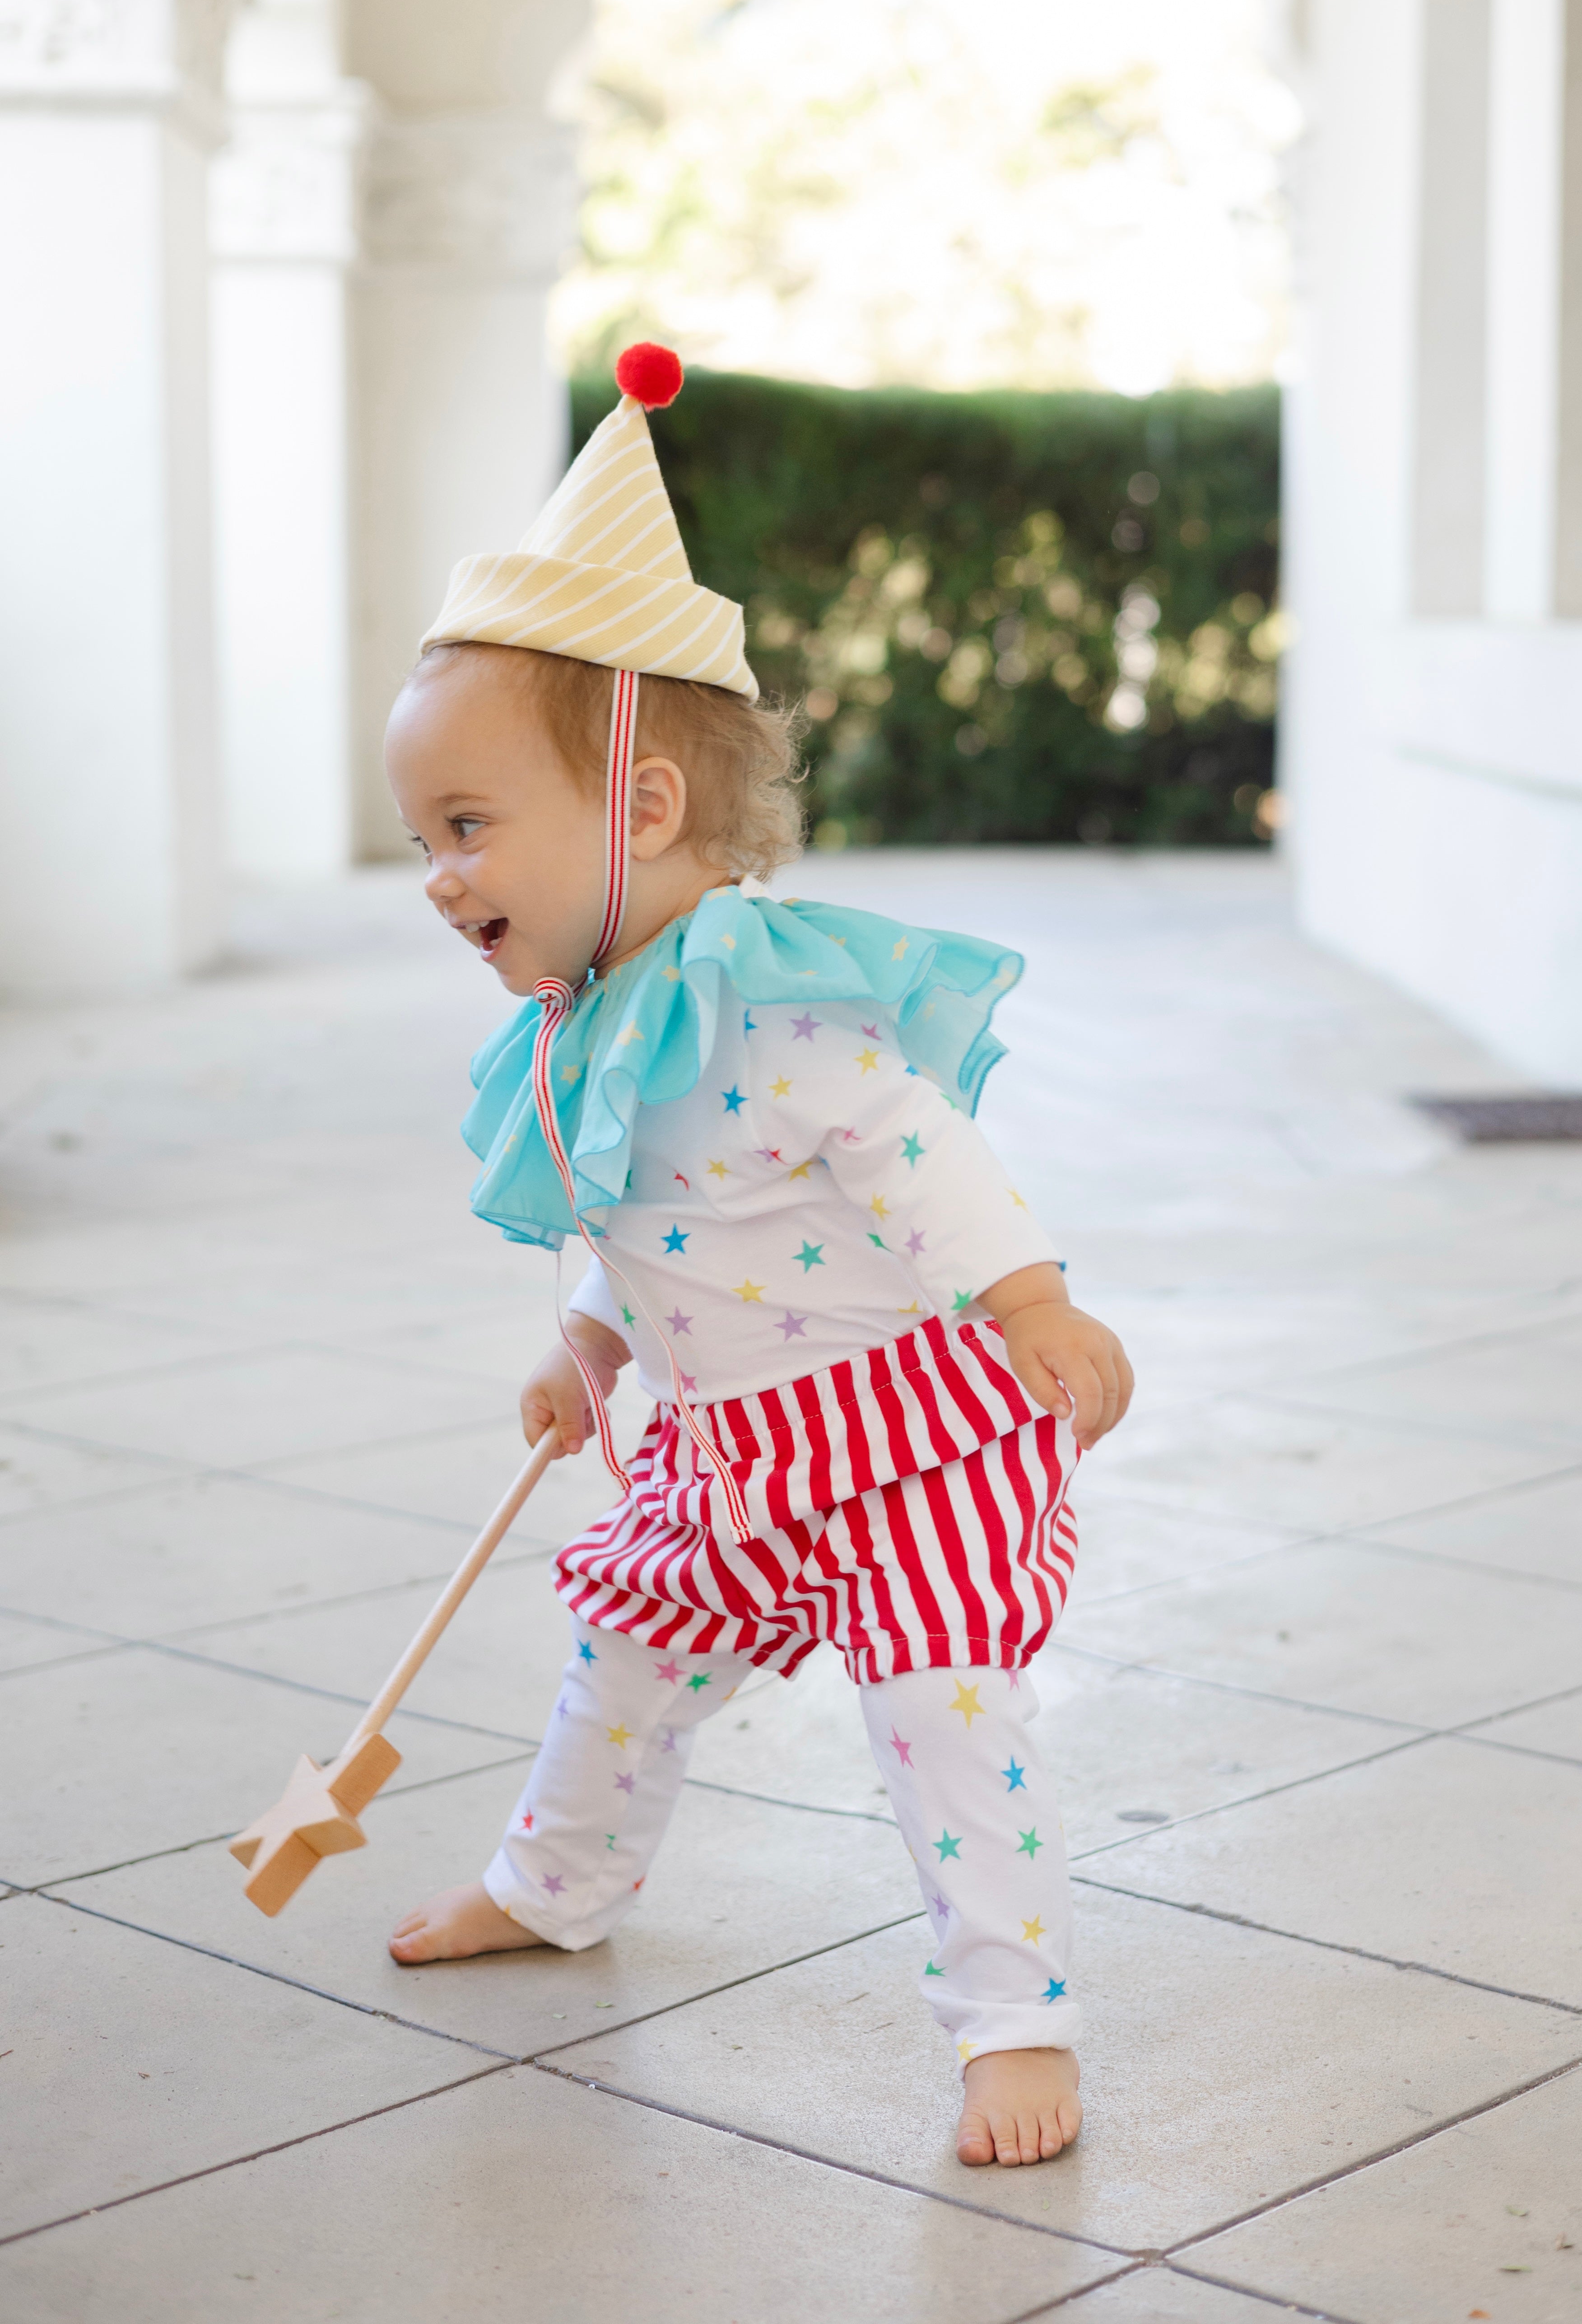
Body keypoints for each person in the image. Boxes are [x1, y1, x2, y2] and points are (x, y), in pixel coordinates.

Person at [382, 345, 1134, 2170]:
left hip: (901, 1441)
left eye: (468, 827)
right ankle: (550, 1885)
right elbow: (636, 1218)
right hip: (728, 1449)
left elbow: (921, 1155)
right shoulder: (586, 1033)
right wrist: (588, 1346)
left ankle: (1010, 2018)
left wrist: (1032, 1302)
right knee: (621, 1663)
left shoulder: (776, 1015)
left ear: (638, 812)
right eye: (423, 841)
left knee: (942, 1721)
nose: (437, 874)